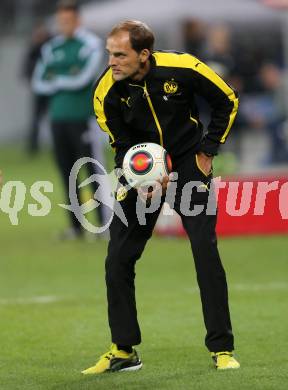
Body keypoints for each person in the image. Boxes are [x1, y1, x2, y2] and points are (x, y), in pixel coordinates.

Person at [82, 20, 240, 373]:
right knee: (118, 258)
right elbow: (120, 145)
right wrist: (141, 179)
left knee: (204, 249)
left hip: (188, 162)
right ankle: (123, 351)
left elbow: (226, 100)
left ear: (144, 55)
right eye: (109, 54)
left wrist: (208, 152)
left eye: (120, 54)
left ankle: (222, 349)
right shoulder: (105, 92)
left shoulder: (182, 68)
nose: (112, 62)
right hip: (141, 169)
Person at [32, 0, 108, 239]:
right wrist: (67, 75)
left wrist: (57, 77)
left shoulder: (90, 44)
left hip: (83, 118)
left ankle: (104, 225)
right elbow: (38, 82)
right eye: (60, 21)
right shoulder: (51, 47)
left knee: (92, 171)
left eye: (67, 20)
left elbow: (82, 78)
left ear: (77, 20)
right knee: (66, 172)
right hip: (58, 118)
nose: (63, 25)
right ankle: (76, 228)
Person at [22, 23, 51, 155]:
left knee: (54, 118)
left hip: (52, 90)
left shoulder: (52, 46)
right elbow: (26, 68)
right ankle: (33, 147)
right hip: (39, 90)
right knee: (36, 119)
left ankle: (58, 145)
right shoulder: (33, 49)